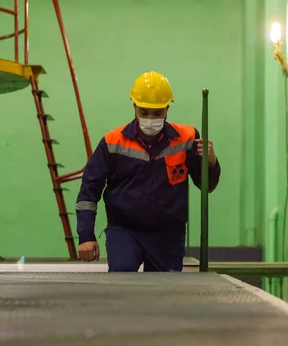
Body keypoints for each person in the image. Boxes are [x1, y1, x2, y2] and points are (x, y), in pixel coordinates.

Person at [75, 71, 222, 272]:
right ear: (134, 106)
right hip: (124, 231)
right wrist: (86, 236)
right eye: (144, 112)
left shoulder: (187, 138)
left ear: (167, 109)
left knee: (165, 293)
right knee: (123, 276)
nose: (150, 119)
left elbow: (208, 186)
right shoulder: (113, 142)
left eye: (157, 113)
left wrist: (211, 162)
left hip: (168, 236)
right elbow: (88, 191)